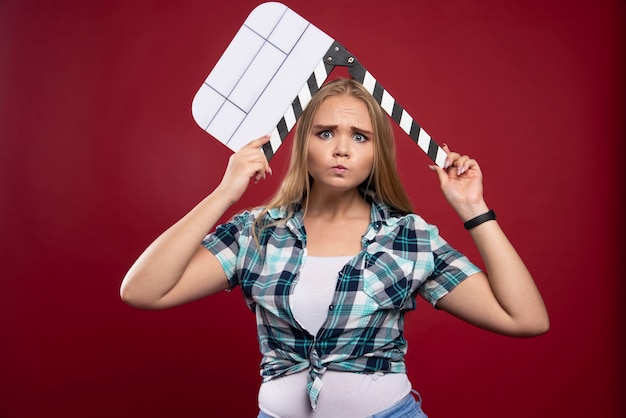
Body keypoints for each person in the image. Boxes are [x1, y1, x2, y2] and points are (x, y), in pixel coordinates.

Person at [120, 78, 549, 417]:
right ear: (303, 142)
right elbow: (143, 291)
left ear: (377, 152)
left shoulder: (407, 237)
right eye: (326, 133)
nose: (342, 148)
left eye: (360, 137)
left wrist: (473, 207)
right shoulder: (257, 233)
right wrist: (224, 193)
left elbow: (526, 319)